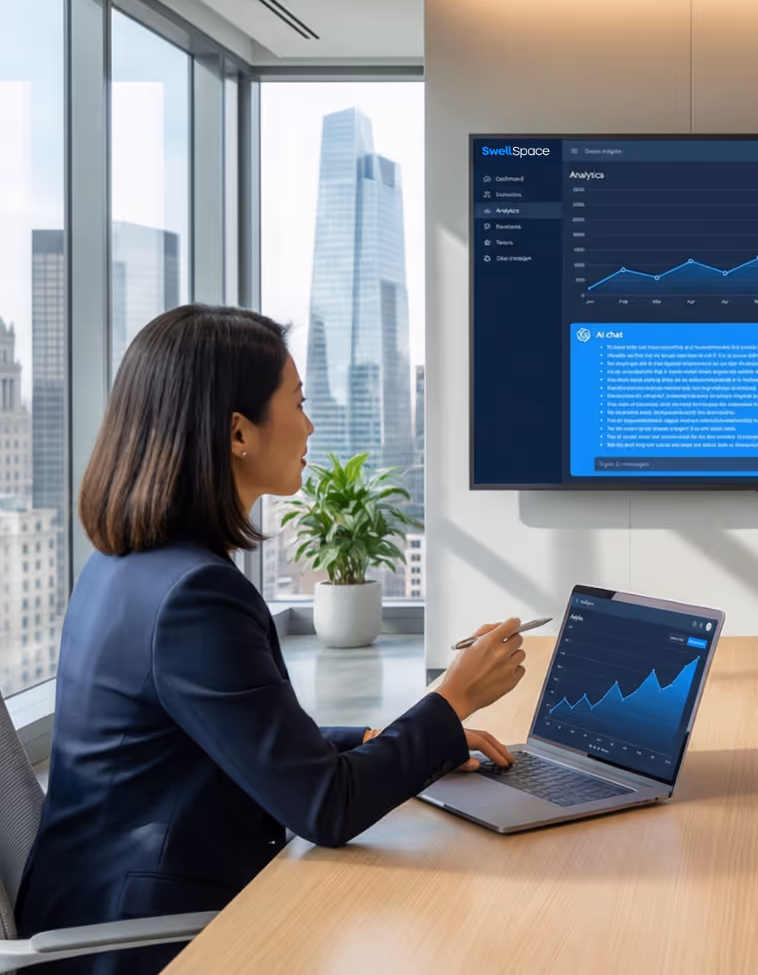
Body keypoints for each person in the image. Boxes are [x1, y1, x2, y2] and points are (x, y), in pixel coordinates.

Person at [17, 305, 528, 974]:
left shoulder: (126, 565)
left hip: (92, 900)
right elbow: (326, 806)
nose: (310, 425)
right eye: (298, 402)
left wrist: (379, 741)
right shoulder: (195, 596)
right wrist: (452, 700)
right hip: (141, 940)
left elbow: (231, 732)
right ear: (238, 432)